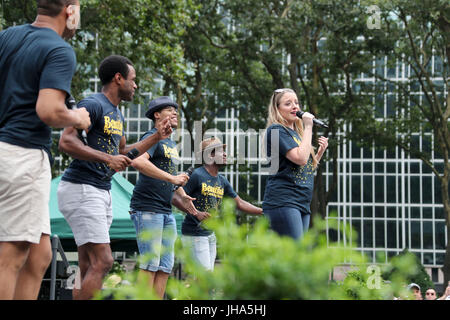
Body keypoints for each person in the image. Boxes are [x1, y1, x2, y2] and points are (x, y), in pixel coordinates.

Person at [57, 55, 172, 300]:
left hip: (100, 190)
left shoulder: (117, 114)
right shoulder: (94, 103)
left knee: (88, 264)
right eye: (133, 80)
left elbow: (121, 152)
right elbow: (66, 141)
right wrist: (107, 159)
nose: (136, 86)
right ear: (118, 79)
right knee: (104, 261)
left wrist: (157, 137)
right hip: (82, 188)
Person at [0, 0, 91, 300]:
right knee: (10, 258)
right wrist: (76, 117)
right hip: (22, 156)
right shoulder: (59, 50)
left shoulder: (8, 36)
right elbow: (49, 110)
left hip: (8, 153)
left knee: (40, 255)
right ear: (70, 10)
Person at [129, 96, 197, 299]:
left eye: (176, 110)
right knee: (150, 264)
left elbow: (167, 173)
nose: (175, 112)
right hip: (147, 208)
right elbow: (138, 162)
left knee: (165, 266)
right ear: (157, 115)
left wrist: (183, 196)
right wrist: (173, 178)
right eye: (169, 109)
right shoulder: (152, 136)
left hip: (166, 211)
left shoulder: (169, 143)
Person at [172, 137, 263, 272]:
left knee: (206, 278)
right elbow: (175, 198)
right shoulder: (197, 175)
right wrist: (196, 213)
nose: (225, 154)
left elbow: (239, 203)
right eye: (221, 151)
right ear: (210, 155)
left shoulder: (222, 181)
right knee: (206, 277)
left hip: (210, 235)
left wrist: (263, 210)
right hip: (194, 234)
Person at [262, 88, 328, 239]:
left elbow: (303, 167)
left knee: (295, 256)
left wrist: (318, 153)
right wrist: (309, 126)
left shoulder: (297, 134)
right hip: (284, 200)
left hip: (301, 202)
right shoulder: (277, 130)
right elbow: (300, 158)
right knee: (295, 254)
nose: (295, 106)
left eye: (296, 102)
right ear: (277, 109)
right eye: (288, 103)